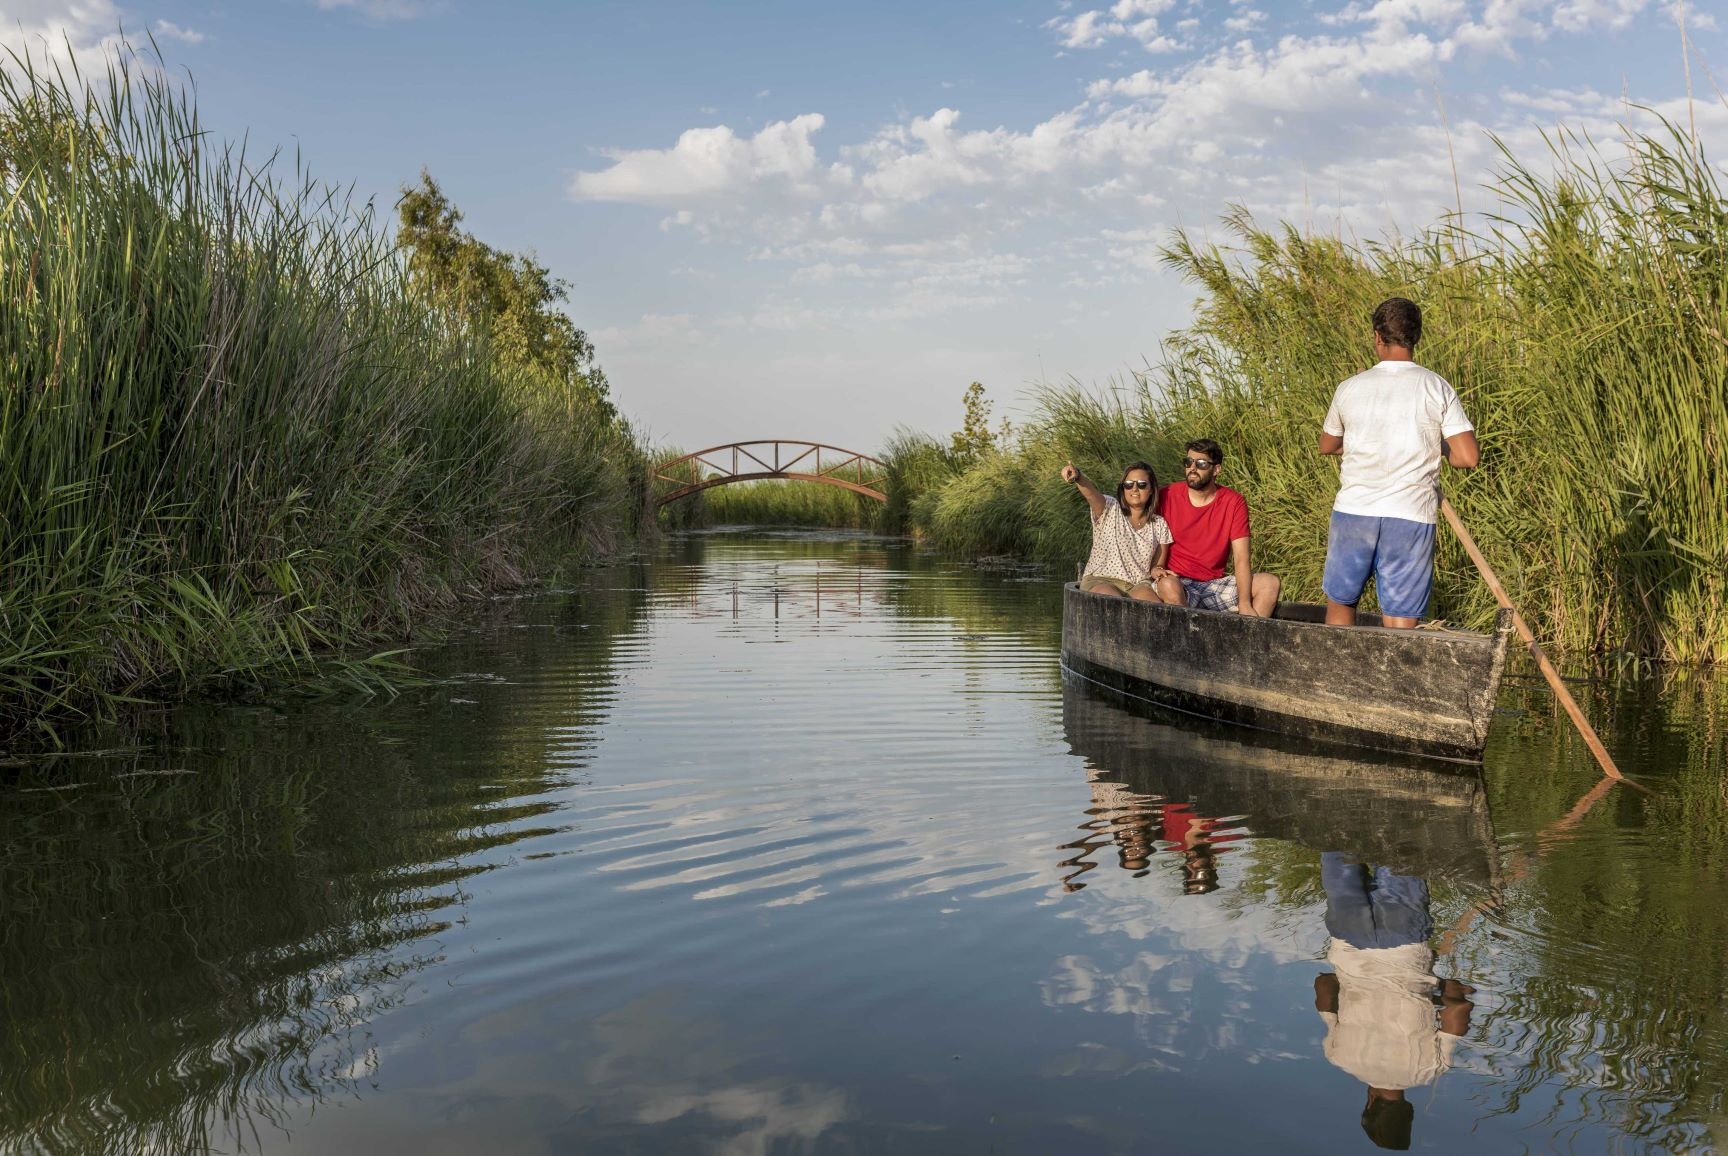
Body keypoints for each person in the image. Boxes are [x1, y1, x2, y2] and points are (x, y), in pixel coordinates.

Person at [1319, 297, 1480, 629]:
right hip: (1410, 514)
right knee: (1401, 618)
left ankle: (1335, 676)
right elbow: (1466, 457)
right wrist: (1432, 445)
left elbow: (1328, 445)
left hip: (1354, 511)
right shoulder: (1437, 386)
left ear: (1378, 336)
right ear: (1416, 337)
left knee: (1342, 602)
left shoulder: (1350, 387)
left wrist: (1372, 441)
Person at [1313, 853, 1475, 1150]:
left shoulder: (1431, 1069)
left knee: (1401, 845)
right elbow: (1324, 988)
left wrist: (1448, 989)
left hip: (1405, 940)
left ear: (1408, 1109)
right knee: (1338, 846)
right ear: (1368, 1103)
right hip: (1349, 938)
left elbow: (1458, 1010)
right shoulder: (1339, 1057)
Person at [1151, 438, 1281, 616]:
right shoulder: (1166, 495)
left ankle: (1243, 641)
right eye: (1188, 462)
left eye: (1201, 463)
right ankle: (1188, 641)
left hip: (1214, 585)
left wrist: (1245, 604)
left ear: (1216, 469)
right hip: (1177, 581)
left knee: (1269, 583)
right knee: (1168, 585)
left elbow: (1241, 557)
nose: (1193, 468)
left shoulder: (1233, 502)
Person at [1060, 460, 1172, 601]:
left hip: (1138, 584)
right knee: (1113, 601)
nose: (1135, 489)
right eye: (1129, 485)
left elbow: (1157, 565)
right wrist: (1078, 476)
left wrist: (1157, 570)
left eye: (1142, 485)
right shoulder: (1110, 508)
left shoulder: (1159, 524)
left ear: (1151, 490)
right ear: (1123, 489)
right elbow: (1090, 494)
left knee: (1155, 608)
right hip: (1101, 579)